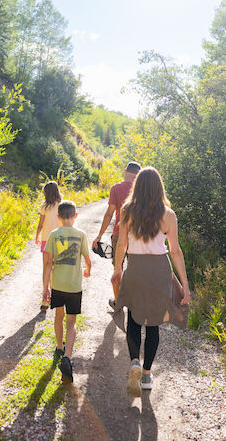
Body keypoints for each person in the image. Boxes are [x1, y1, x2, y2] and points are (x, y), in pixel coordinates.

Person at [111, 167, 191, 397]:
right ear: (159, 187)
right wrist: (184, 284)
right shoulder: (168, 215)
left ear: (137, 187)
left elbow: (121, 245)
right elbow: (175, 251)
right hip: (159, 271)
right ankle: (146, 374)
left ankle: (135, 361)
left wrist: (118, 269)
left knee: (134, 319)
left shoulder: (127, 211)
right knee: (153, 324)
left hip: (136, 268)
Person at [43, 200, 91, 384]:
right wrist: (88, 271)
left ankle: (59, 346)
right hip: (73, 286)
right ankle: (68, 357)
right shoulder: (81, 234)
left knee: (58, 316)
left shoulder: (54, 235)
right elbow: (87, 259)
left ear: (58, 217)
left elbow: (48, 263)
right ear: (75, 216)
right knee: (71, 322)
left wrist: (45, 287)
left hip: (58, 285)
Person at [92, 161, 141, 308]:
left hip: (119, 234)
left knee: (117, 269)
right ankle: (135, 302)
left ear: (125, 172)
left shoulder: (116, 188)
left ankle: (118, 301)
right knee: (136, 268)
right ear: (138, 174)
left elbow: (109, 214)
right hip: (138, 235)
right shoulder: (142, 190)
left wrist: (99, 236)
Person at [35, 181, 62, 311]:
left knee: (46, 268)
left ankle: (45, 298)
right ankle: (57, 295)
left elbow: (40, 224)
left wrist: (36, 236)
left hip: (46, 240)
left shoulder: (44, 206)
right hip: (60, 241)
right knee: (57, 269)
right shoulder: (62, 206)